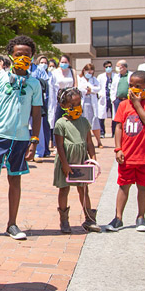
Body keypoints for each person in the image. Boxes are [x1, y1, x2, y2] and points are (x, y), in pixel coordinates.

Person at [0, 36, 42, 242]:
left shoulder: (34, 84)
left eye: (27, 55)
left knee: (15, 180)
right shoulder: (0, 79)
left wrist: (34, 140)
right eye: (18, 54)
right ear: (11, 55)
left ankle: (12, 224)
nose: (22, 58)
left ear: (32, 57)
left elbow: (36, 114)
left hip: (20, 139)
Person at [106, 70, 145, 233]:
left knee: (143, 187)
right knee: (124, 186)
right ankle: (118, 217)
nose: (133, 89)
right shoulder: (123, 105)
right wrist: (118, 149)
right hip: (127, 155)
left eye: (138, 86)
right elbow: (119, 127)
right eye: (131, 85)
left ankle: (141, 217)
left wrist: (137, 104)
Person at [53, 88, 100, 234]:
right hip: (66, 161)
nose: (77, 107)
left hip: (81, 160)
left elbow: (89, 142)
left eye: (79, 103)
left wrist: (93, 158)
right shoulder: (61, 123)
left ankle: (89, 219)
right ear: (64, 106)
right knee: (64, 189)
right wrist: (65, 164)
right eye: (73, 105)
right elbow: (59, 145)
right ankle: (64, 220)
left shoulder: (84, 121)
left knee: (83, 189)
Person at [31, 55, 55, 158]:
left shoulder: (39, 70)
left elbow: (45, 83)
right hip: (22, 101)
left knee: (38, 126)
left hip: (37, 100)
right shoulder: (17, 69)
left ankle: (38, 152)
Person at [76, 63, 102, 148]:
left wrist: (91, 90)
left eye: (91, 72)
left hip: (92, 102)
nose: (89, 73)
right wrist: (85, 90)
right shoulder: (79, 78)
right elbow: (78, 88)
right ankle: (85, 141)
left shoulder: (94, 79)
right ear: (84, 70)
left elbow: (98, 88)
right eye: (87, 71)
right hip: (83, 102)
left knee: (95, 122)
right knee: (84, 123)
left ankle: (99, 141)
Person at [109, 60, 132, 138]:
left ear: (124, 67)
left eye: (118, 66)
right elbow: (112, 88)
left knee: (127, 117)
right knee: (118, 118)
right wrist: (113, 99)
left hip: (128, 100)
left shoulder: (131, 75)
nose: (117, 68)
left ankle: (126, 133)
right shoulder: (116, 76)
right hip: (118, 100)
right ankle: (117, 134)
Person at [96, 60, 118, 139]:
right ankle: (102, 132)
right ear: (104, 68)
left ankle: (114, 132)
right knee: (101, 116)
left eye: (110, 66)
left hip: (112, 97)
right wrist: (99, 95)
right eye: (106, 67)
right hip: (103, 97)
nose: (108, 68)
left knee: (114, 116)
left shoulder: (116, 76)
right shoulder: (100, 76)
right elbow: (98, 87)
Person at [51, 54, 76, 124]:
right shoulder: (54, 72)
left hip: (70, 99)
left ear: (69, 63)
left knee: (71, 121)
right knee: (58, 120)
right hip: (59, 99)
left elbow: (75, 85)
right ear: (59, 63)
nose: (63, 64)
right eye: (62, 62)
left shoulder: (72, 71)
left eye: (65, 62)